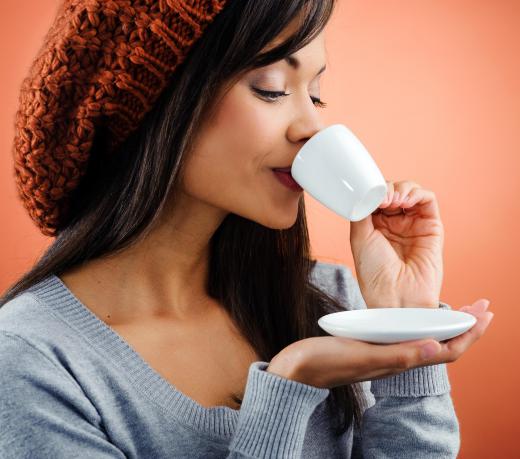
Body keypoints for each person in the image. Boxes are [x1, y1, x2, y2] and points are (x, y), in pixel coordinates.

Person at [0, 0, 493, 457]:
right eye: (273, 88)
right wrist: (287, 387)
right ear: (158, 104)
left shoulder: (335, 302)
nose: (310, 127)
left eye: (315, 94)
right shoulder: (32, 362)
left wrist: (405, 324)